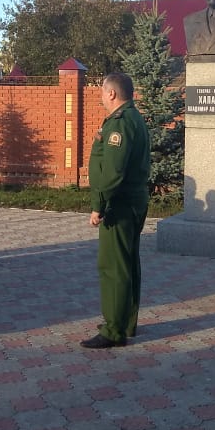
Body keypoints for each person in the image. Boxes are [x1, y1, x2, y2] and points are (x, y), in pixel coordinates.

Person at [82, 72, 151, 349]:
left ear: (112, 93)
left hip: (119, 205)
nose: (100, 96)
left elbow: (111, 174)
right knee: (128, 263)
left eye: (101, 91)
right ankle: (126, 322)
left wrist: (98, 205)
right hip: (134, 201)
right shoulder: (133, 118)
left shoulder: (119, 125)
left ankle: (113, 330)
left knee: (113, 266)